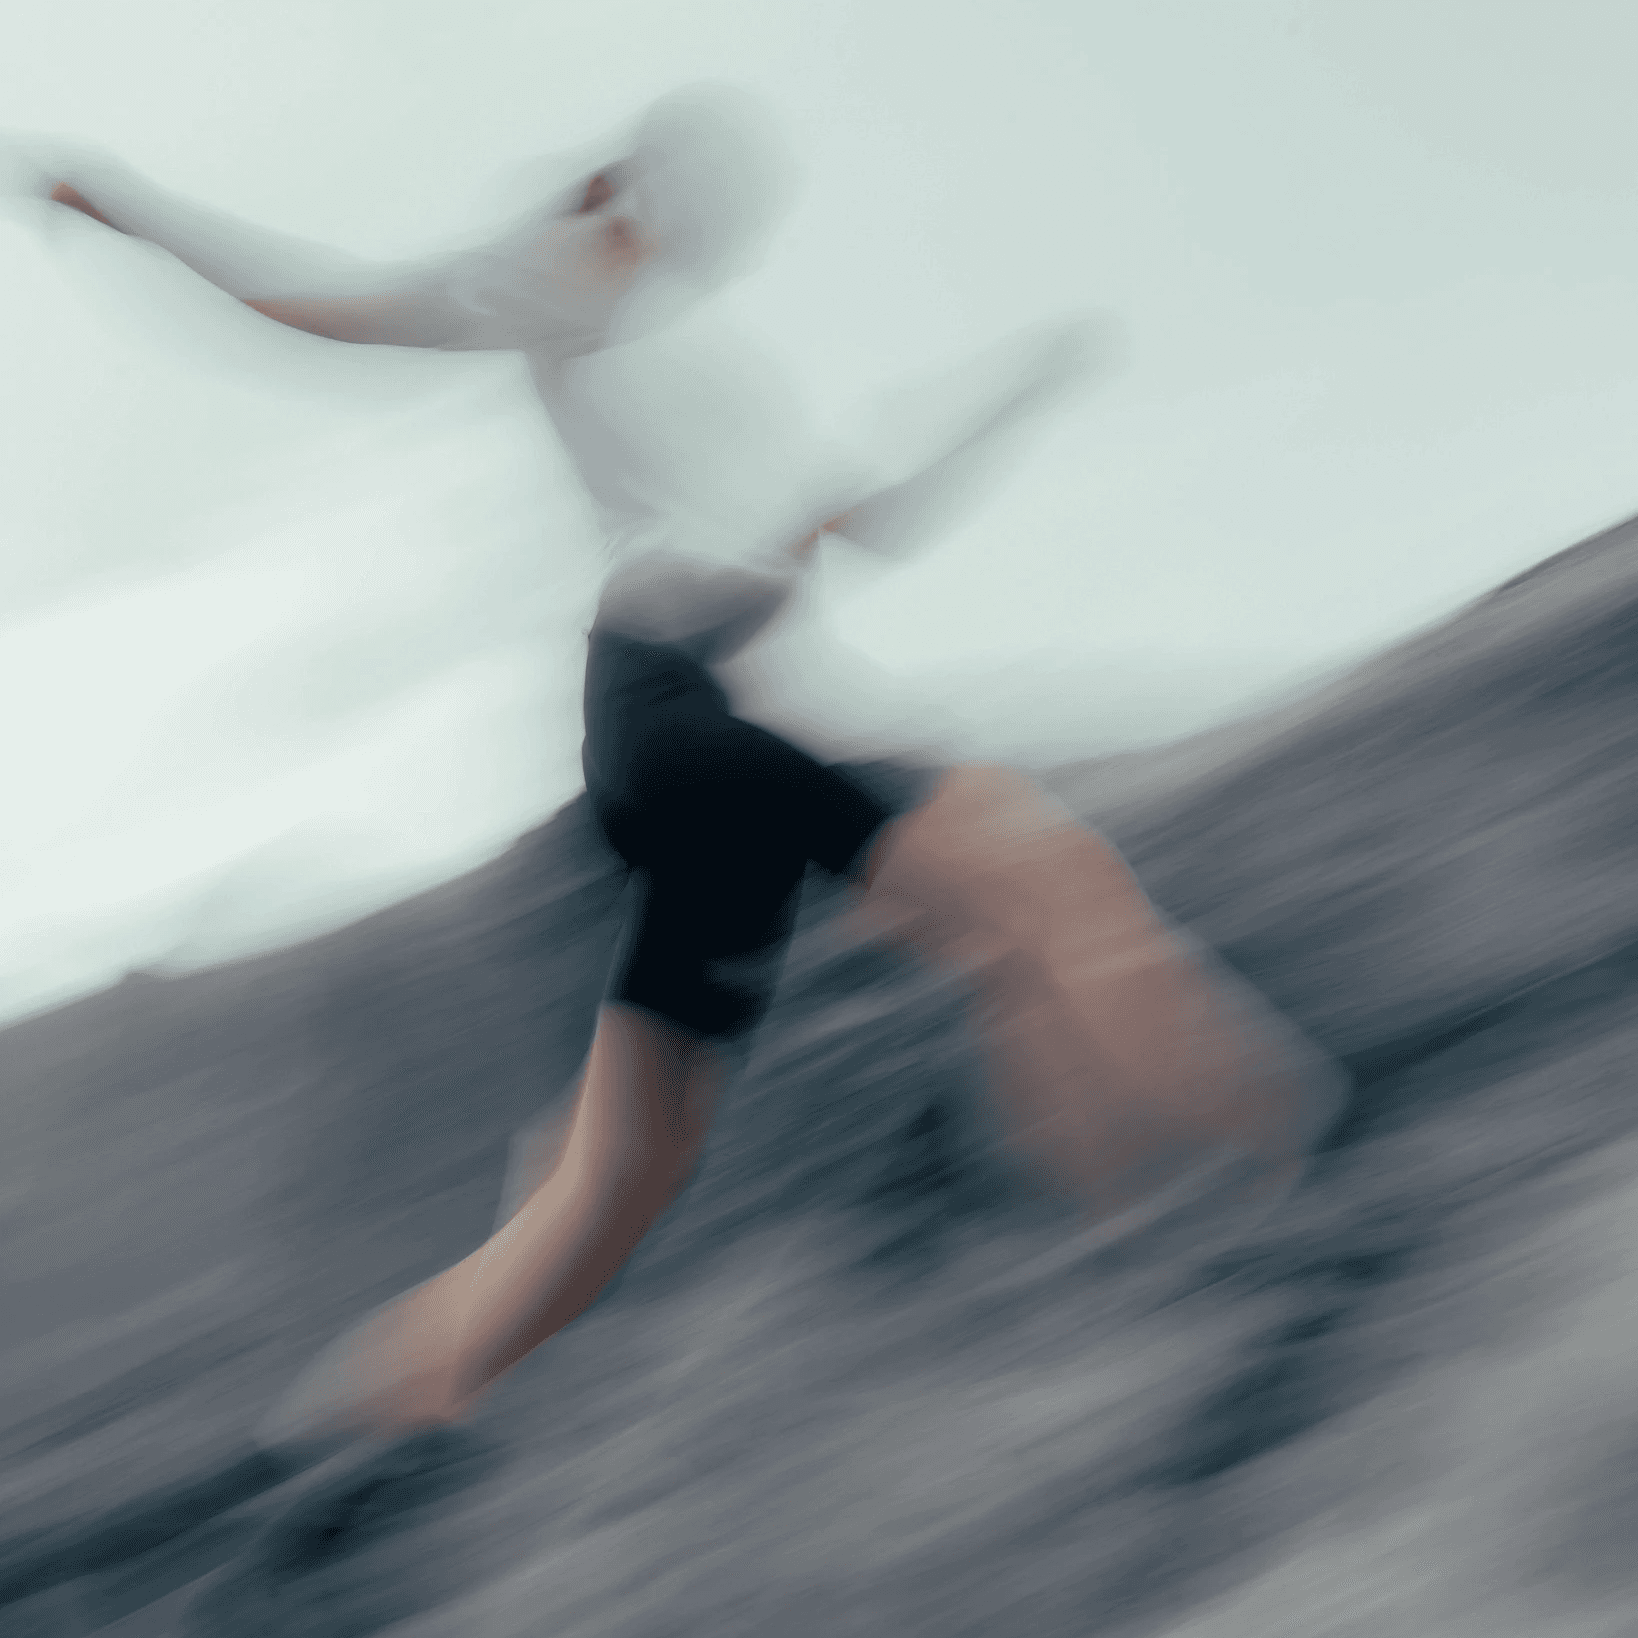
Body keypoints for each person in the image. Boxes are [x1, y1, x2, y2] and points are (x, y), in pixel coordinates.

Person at [14, 90, 1340, 1456]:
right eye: (643, 175)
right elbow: (339, 312)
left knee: (620, 1175)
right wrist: (137, 220)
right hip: (683, 706)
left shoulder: (693, 362)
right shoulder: (561, 283)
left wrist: (996, 405)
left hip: (705, 737)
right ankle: (1241, 1216)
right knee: (1040, 890)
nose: (645, 198)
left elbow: (848, 524)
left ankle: (345, 1442)